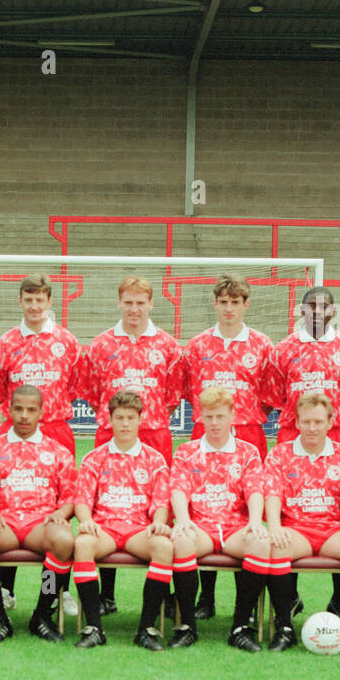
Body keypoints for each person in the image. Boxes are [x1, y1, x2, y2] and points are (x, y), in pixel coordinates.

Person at [0, 273, 85, 616]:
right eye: (28, 299)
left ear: (50, 302)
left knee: (58, 510)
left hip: (55, 429)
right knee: (9, 499)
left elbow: (75, 385)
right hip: (15, 429)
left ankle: (58, 590)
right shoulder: (7, 342)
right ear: (20, 301)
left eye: (40, 300)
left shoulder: (67, 342)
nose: (34, 306)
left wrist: (48, 413)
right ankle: (6, 588)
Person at [265, 285, 340, 619]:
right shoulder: (283, 349)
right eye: (310, 306)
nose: (316, 311)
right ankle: (290, 596)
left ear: (333, 312)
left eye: (323, 307)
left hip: (335, 433)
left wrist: (329, 424)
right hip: (292, 433)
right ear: (301, 310)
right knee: (286, 515)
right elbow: (274, 396)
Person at [83, 275, 183, 615]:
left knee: (158, 508)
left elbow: (172, 396)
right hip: (110, 432)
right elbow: (92, 391)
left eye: (141, 303)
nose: (134, 309)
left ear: (151, 304)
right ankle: (105, 594)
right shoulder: (100, 344)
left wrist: (149, 418)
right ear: (119, 302)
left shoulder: (168, 345)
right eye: (129, 302)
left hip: (154, 432)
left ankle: (164, 592)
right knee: (106, 504)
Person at [179, 275, 274, 621]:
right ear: (215, 304)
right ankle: (205, 597)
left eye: (236, 302)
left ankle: (245, 603)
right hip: (207, 432)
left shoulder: (263, 345)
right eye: (223, 302)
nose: (229, 308)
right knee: (205, 506)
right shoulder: (197, 345)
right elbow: (187, 388)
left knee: (244, 512)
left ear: (246, 304)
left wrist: (247, 417)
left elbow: (270, 394)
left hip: (248, 433)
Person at [263, 391, 340, 654]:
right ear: (297, 422)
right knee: (276, 548)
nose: (312, 428)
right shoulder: (281, 453)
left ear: (330, 422)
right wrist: (274, 526)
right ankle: (284, 626)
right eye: (306, 422)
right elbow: (272, 492)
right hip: (296, 527)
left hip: (334, 529)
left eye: (318, 422)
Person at [167, 387, 273, 652]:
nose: (214, 423)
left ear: (232, 416)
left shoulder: (247, 452)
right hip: (200, 525)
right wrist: (181, 520)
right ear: (200, 417)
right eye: (209, 416)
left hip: (236, 525)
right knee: (180, 541)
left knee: (260, 544)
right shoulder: (186, 451)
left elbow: (255, 489)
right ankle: (188, 626)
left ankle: (240, 627)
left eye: (220, 416)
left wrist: (255, 521)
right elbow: (178, 489)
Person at [70, 391, 176, 652]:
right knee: (82, 545)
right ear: (109, 420)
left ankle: (146, 628)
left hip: (139, 528)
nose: (125, 424)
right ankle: (94, 627)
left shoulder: (154, 459)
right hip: (104, 527)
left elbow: (161, 502)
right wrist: (85, 520)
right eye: (119, 418)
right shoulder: (95, 458)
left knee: (163, 546)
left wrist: (160, 522)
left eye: (131, 418)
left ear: (140, 420)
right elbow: (82, 499)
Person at [0, 386, 76, 644]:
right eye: (18, 409)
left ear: (41, 412)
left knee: (63, 541)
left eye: (31, 410)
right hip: (3, 522)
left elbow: (72, 495)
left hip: (40, 523)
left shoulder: (58, 452)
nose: (24, 416)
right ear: (8, 410)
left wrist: (60, 513)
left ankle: (42, 613)